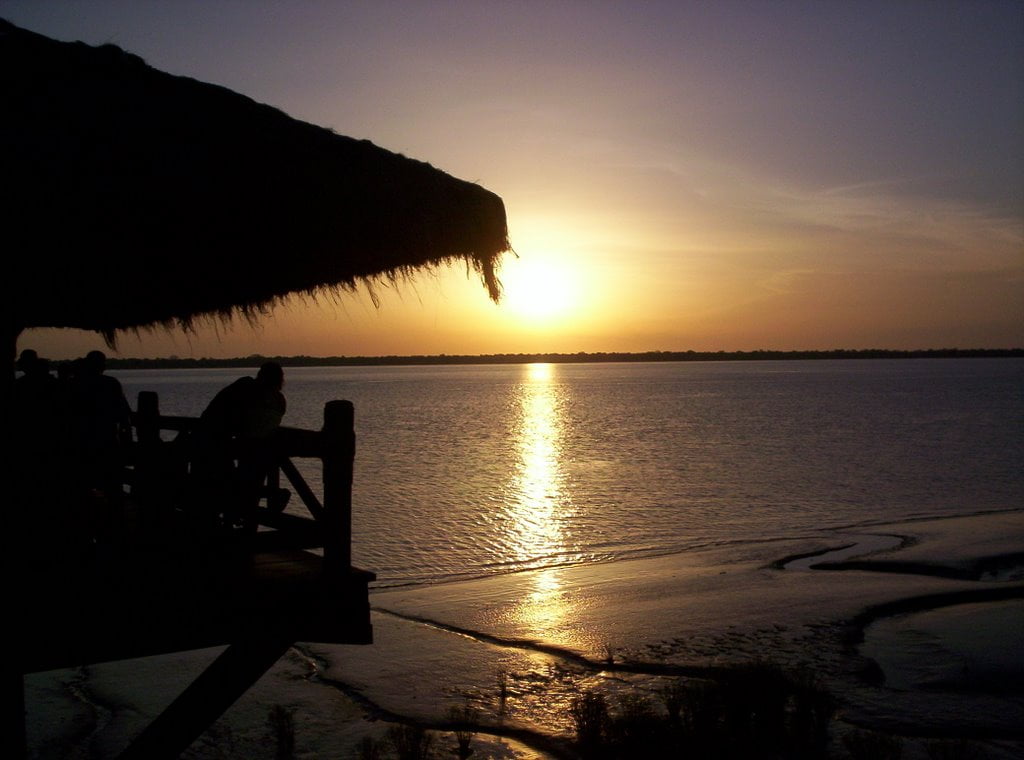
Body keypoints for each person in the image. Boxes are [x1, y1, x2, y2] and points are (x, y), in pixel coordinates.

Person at [194, 362, 287, 531]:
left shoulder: (248, 388)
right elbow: (256, 425)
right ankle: (245, 521)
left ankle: (235, 521)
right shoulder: (275, 399)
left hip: (230, 444)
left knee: (233, 483)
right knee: (242, 483)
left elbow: (240, 421)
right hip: (243, 447)